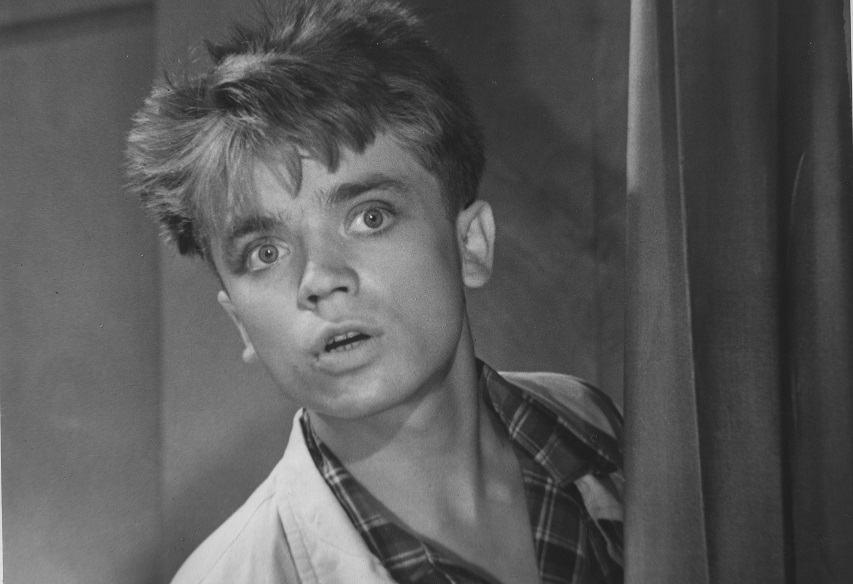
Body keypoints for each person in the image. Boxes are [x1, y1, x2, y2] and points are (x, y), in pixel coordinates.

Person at [126, 0, 624, 582]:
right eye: (265, 253)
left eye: (370, 217)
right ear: (240, 322)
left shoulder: (592, 426)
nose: (319, 279)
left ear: (470, 244)